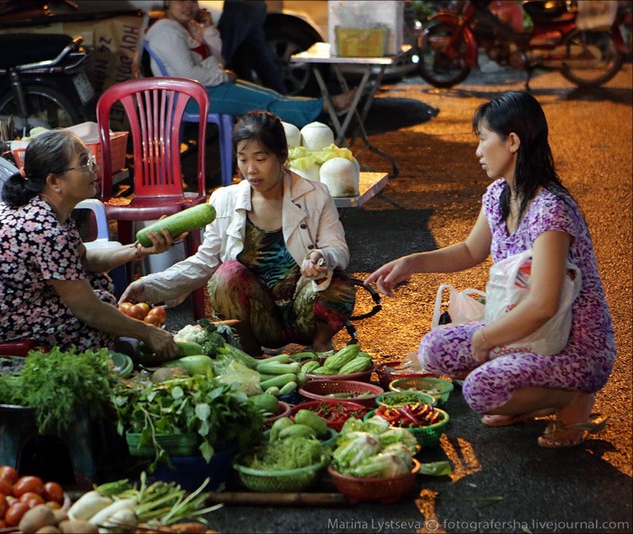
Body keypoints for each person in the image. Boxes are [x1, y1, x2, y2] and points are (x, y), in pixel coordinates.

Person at [365, 91, 615, 448]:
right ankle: (524, 393)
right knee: (435, 348)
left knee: (479, 390)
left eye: (483, 140)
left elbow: (544, 305)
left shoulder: (550, 210)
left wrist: (486, 338)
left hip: (570, 347)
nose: (478, 151)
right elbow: (470, 250)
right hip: (521, 334)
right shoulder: (500, 194)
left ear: (512, 142)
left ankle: (571, 398)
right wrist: (411, 263)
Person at [121, 110, 356, 355]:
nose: (251, 169)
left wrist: (322, 257)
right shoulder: (224, 200)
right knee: (226, 275)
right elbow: (204, 263)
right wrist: (149, 286)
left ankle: (321, 345)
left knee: (337, 281)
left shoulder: (315, 194)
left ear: (282, 156)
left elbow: (338, 248)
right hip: (256, 319)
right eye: (243, 159)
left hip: (303, 311)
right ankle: (251, 352)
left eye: (261, 159)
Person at [0, 130, 179, 360]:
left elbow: (83, 260)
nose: (94, 168)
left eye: (91, 160)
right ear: (54, 181)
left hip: (5, 300)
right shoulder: (44, 229)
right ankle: (91, 362)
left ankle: (107, 349)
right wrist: (147, 332)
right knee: (93, 312)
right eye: (84, 163)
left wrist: (136, 250)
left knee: (97, 283)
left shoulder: (49, 210)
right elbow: (87, 309)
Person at [145, 0, 355, 127]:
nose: (189, 6)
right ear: (167, 3)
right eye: (181, 1)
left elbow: (217, 60)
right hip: (191, 97)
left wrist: (208, 30)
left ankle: (320, 110)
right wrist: (224, 76)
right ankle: (325, 108)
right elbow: (190, 75)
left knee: (271, 96)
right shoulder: (166, 31)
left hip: (206, 89)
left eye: (192, 1)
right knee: (265, 105)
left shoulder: (184, 28)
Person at [216, 0, 287, 94]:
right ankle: (279, 94)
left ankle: (212, 93)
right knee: (253, 55)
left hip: (239, 6)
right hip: (254, 5)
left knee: (221, 55)